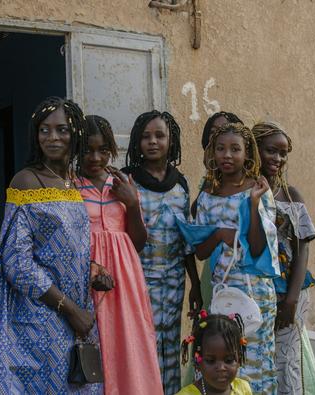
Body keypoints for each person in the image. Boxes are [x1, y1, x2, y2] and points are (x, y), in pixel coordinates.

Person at [0, 97, 105, 395]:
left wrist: (92, 270)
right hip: (39, 320)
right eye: (44, 130)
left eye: (62, 129)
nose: (53, 138)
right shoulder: (26, 181)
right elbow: (16, 264)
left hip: (74, 320)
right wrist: (69, 308)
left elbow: (63, 248)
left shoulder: (70, 183)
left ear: (76, 134)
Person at [76, 115, 163, 395]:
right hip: (87, 276)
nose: (95, 157)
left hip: (125, 279)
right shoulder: (70, 186)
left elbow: (137, 241)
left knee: (128, 341)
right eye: (87, 149)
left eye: (103, 150)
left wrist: (132, 203)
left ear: (112, 149)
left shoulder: (122, 183)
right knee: (96, 343)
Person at [194, 123, 280, 395]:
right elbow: (200, 252)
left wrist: (253, 205)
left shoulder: (258, 189)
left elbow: (257, 248)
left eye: (235, 149)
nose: (227, 155)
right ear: (212, 153)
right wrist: (220, 234)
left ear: (247, 154)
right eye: (221, 149)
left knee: (257, 363)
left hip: (256, 293)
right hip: (225, 292)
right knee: (227, 362)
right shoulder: (207, 195)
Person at [122, 110, 203, 395]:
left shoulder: (180, 184)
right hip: (138, 281)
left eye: (159, 135)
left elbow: (185, 241)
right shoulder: (127, 181)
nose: (152, 142)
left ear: (172, 140)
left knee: (170, 344)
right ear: (136, 142)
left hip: (173, 282)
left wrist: (194, 282)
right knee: (142, 345)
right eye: (145, 137)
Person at [252, 121, 315, 395]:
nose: (278, 159)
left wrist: (292, 300)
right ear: (255, 149)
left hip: (290, 290)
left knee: (287, 364)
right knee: (258, 364)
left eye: (283, 154)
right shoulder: (245, 192)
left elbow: (303, 248)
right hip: (257, 290)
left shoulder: (291, 196)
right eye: (271, 151)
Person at [178, 313, 253, 395]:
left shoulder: (243, 389)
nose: (221, 368)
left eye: (229, 360)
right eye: (210, 361)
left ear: (239, 359)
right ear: (197, 362)